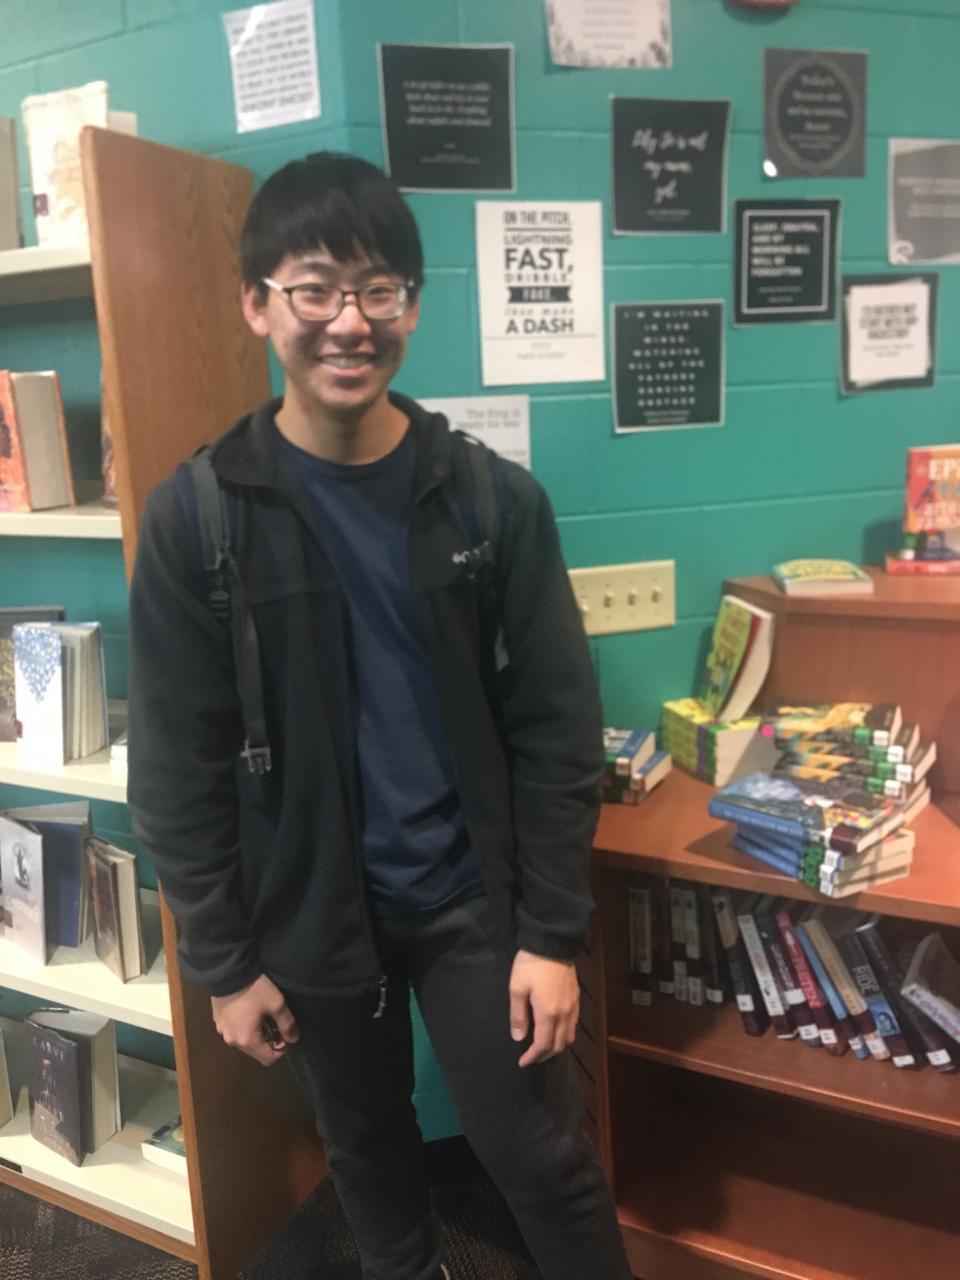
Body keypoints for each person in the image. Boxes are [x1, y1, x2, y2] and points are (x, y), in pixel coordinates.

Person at [127, 152, 632, 1280]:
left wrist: (552, 933)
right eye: (314, 289)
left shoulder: (492, 501)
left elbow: (558, 731)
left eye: (378, 289)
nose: (349, 322)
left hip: (471, 900)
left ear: (412, 304)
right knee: (366, 1154)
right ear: (257, 303)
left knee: (540, 1155)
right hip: (307, 914)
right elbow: (173, 765)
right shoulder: (199, 518)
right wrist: (224, 963)